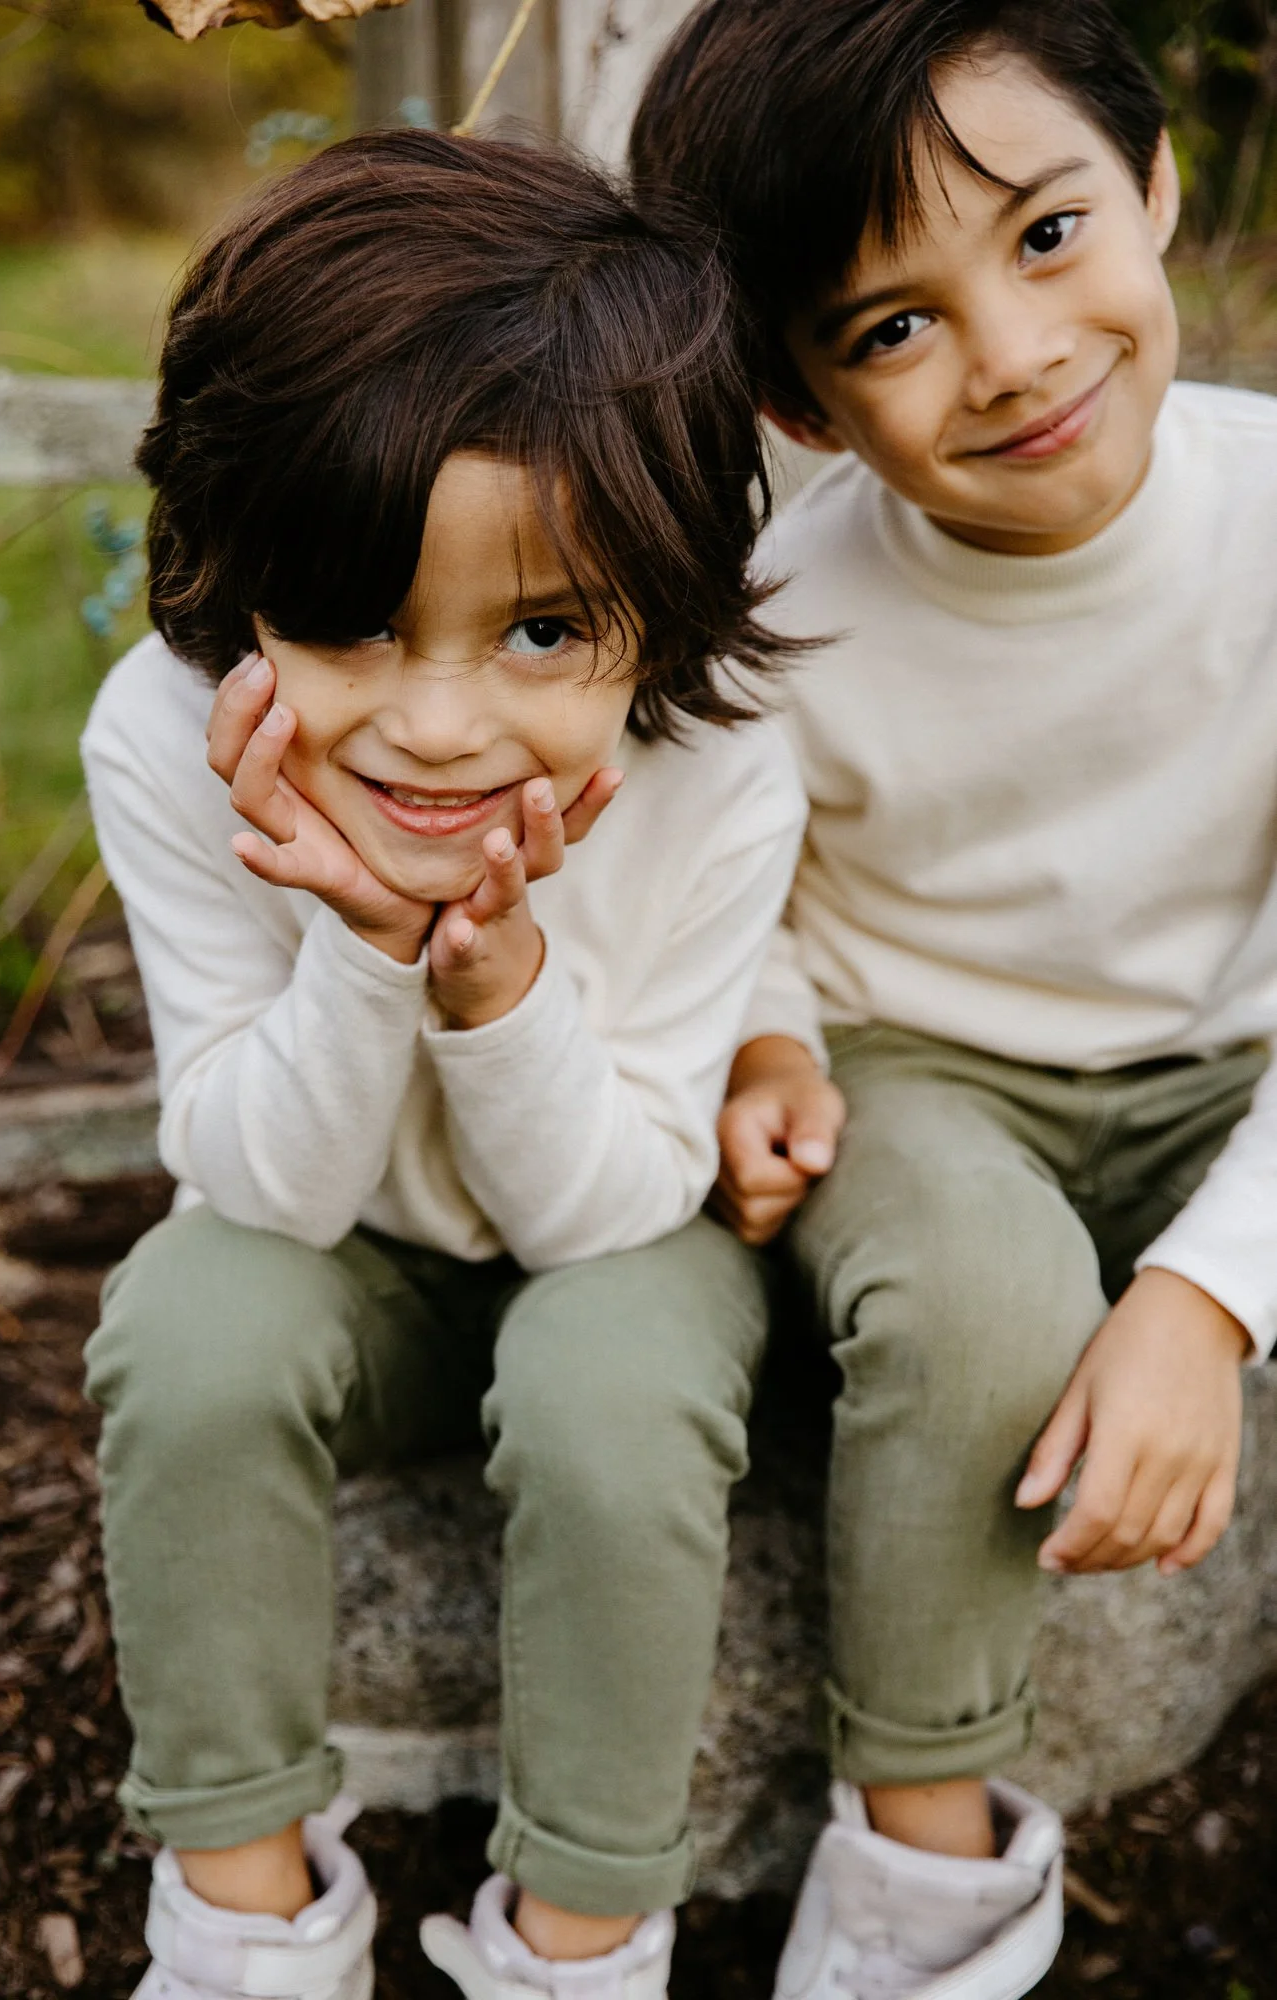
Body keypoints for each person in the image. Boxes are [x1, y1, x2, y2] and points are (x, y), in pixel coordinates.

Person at [81, 129, 807, 2000]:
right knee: (191, 1321)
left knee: (610, 1379)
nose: (432, 723)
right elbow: (260, 1185)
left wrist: (491, 979)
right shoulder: (172, 740)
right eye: (348, 617)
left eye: (542, 629)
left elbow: (608, 1211)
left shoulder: (718, 771)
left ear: (665, 591)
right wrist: (361, 941)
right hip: (343, 1245)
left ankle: (579, 1938)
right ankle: (244, 1920)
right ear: (238, 559)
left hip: (614, 1218)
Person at [632, 3, 1277, 1995]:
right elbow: (734, 892)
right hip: (927, 1070)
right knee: (982, 1309)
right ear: (806, 405)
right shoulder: (785, 606)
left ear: (1155, 185)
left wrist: (1206, 1295)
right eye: (889, 326)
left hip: (1227, 1062)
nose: (1008, 355)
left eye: (1046, 234)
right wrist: (762, 1036)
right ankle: (918, 1880)